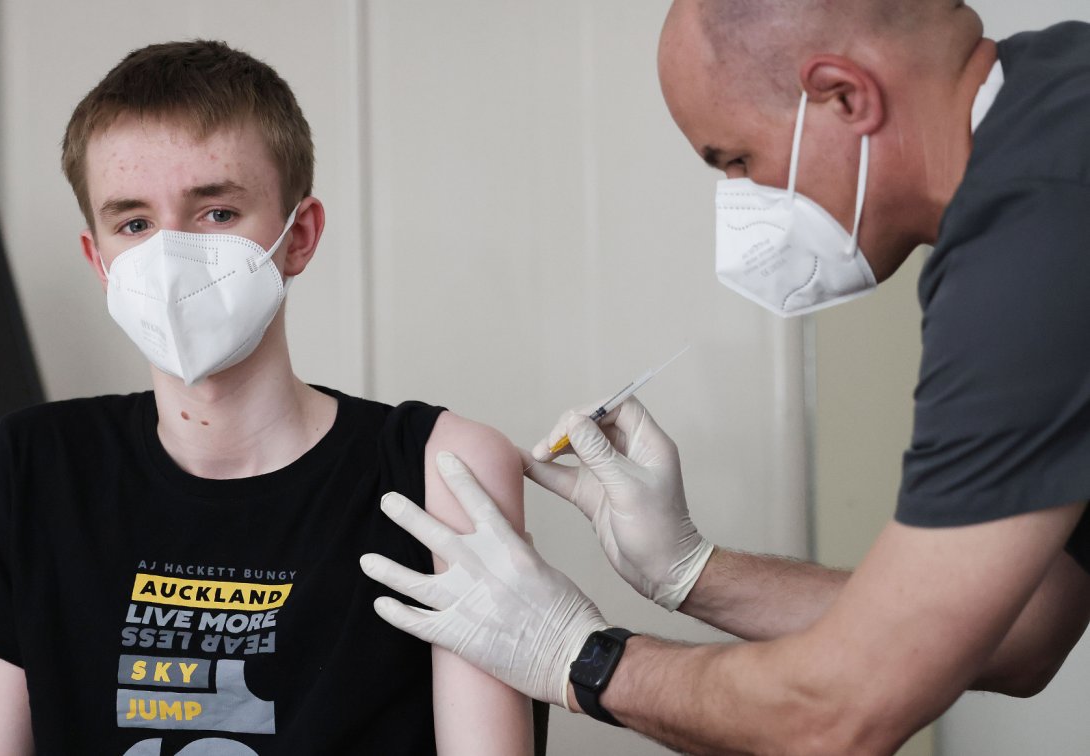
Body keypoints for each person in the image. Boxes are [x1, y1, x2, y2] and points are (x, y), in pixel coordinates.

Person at [360, 2, 1090, 753]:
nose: (742, 205)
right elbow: (1019, 632)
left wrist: (576, 655)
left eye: (738, 161)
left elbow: (841, 713)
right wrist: (688, 570)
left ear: (845, 96)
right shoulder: (1055, 103)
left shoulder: (1029, 248)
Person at [0, 40, 533, 756]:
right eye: (134, 224)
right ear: (100, 261)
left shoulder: (441, 471)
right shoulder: (35, 466)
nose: (170, 258)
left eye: (216, 213)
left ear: (299, 236)